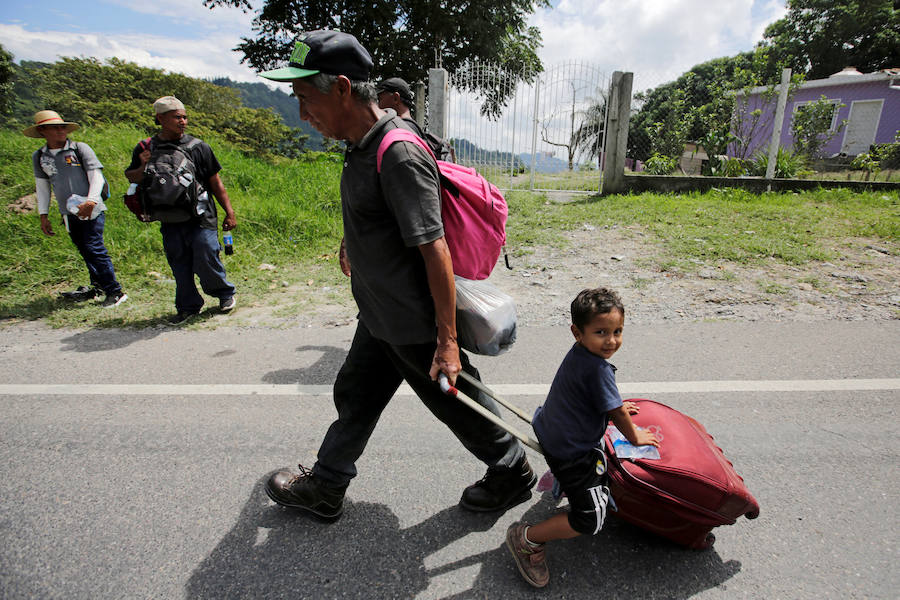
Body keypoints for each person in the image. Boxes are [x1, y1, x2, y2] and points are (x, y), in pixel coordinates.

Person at [259, 29, 534, 521]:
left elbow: (435, 251)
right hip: (379, 307)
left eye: (306, 99)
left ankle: (512, 469)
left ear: (342, 88)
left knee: (455, 399)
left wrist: (447, 341)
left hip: (410, 320)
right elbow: (379, 214)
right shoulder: (359, 143)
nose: (303, 114)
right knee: (357, 392)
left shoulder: (398, 153)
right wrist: (354, 242)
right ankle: (327, 483)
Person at [505, 287, 660, 588]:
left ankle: (564, 482)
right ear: (577, 332)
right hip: (572, 451)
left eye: (617, 331)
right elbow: (614, 410)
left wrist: (612, 405)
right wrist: (636, 436)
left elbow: (606, 401)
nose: (611, 340)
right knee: (589, 521)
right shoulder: (599, 369)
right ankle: (527, 540)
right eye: (601, 332)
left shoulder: (582, 354)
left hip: (551, 428)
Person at [124, 96, 236, 325]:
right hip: (168, 216)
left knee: (206, 253)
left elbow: (215, 182)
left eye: (184, 117)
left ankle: (224, 294)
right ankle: (188, 306)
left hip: (201, 214)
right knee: (179, 262)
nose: (183, 121)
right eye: (177, 117)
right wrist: (143, 165)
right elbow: (132, 177)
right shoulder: (145, 148)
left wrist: (229, 212)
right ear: (160, 118)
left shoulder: (198, 147)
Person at [25, 110, 128, 307]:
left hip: (91, 208)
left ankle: (115, 292)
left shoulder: (79, 149)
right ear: (42, 131)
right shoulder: (39, 156)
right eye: (55, 128)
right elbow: (43, 186)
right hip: (68, 212)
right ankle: (98, 286)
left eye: (62, 126)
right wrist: (43, 214)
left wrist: (91, 201)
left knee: (94, 247)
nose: (60, 131)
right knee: (84, 248)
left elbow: (95, 176)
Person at [376, 77, 454, 162]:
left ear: (395, 98)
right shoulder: (415, 129)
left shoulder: (397, 130)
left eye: (380, 99)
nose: (377, 106)